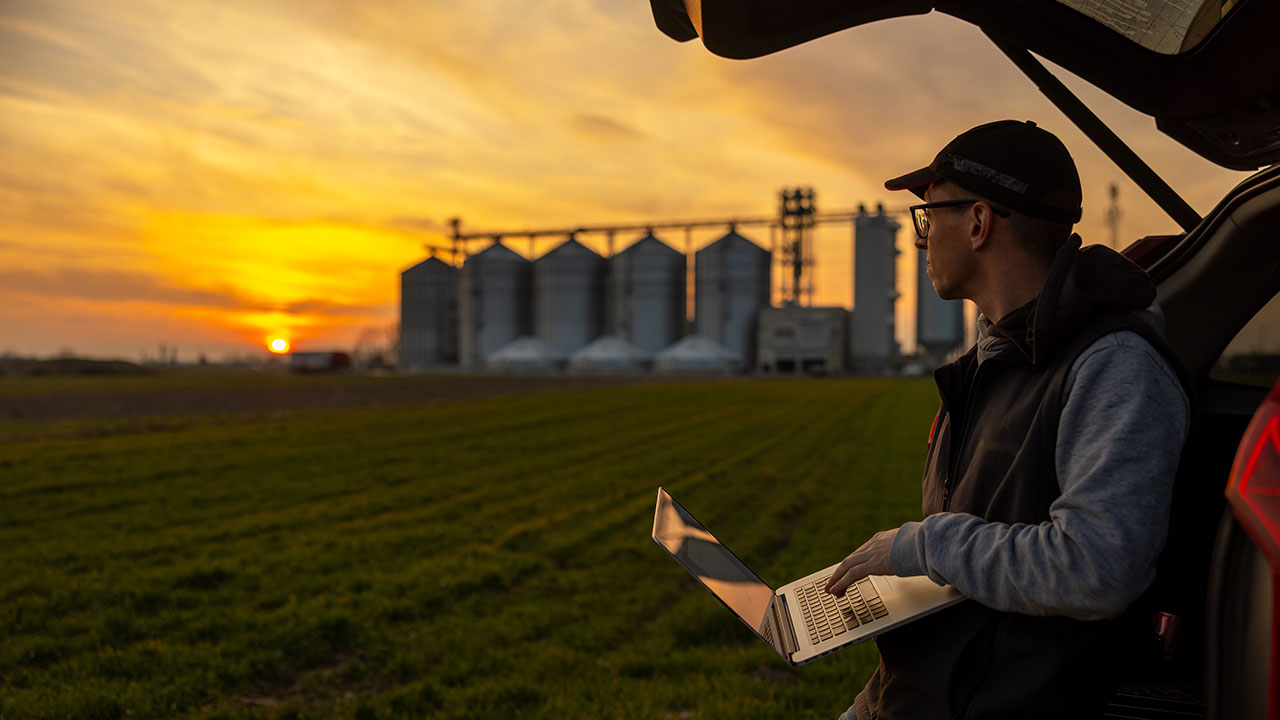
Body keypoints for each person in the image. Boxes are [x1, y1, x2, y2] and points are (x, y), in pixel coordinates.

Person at [826, 120, 1190, 720]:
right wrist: (870, 705)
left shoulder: (1114, 366)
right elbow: (965, 589)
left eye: (927, 216)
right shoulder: (986, 365)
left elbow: (1098, 566)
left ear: (977, 223)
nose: (920, 240)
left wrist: (926, 543)